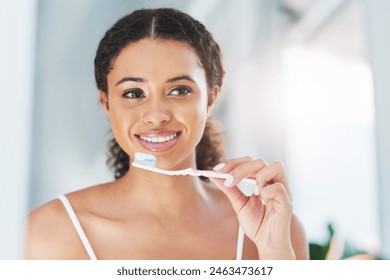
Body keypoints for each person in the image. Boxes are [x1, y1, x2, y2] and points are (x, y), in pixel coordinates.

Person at [24, 8, 308, 260]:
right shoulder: (48, 234)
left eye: (179, 90)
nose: (157, 115)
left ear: (210, 98)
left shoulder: (278, 230)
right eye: (134, 93)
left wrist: (274, 253)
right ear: (106, 103)